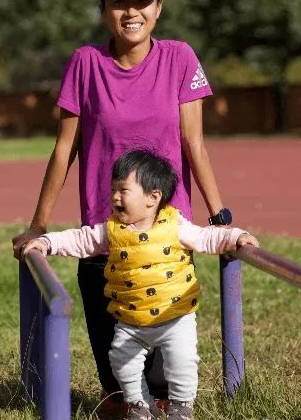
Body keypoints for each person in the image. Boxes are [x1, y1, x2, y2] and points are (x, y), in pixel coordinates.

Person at [12, 0, 230, 413]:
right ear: (104, 10)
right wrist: (38, 226)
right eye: (119, 3)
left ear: (158, 8)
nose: (131, 12)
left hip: (166, 241)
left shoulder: (179, 58)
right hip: (104, 240)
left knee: (165, 386)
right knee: (118, 391)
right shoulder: (85, 64)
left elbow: (195, 143)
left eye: (141, 2)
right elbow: (63, 149)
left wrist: (220, 214)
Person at [21, 150, 259, 420]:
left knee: (183, 361)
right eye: (113, 190)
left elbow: (208, 238)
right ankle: (140, 405)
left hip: (175, 316)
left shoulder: (175, 226)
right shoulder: (111, 231)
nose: (114, 197)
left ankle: (182, 406)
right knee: (122, 362)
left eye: (123, 190)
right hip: (130, 319)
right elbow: (80, 239)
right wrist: (48, 242)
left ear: (152, 198)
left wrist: (238, 237)